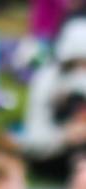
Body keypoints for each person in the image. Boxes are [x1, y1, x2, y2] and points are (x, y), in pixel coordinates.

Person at [22, 18, 86, 179]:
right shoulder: (46, 81)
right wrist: (63, 136)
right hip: (52, 160)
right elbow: (34, 140)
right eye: (75, 64)